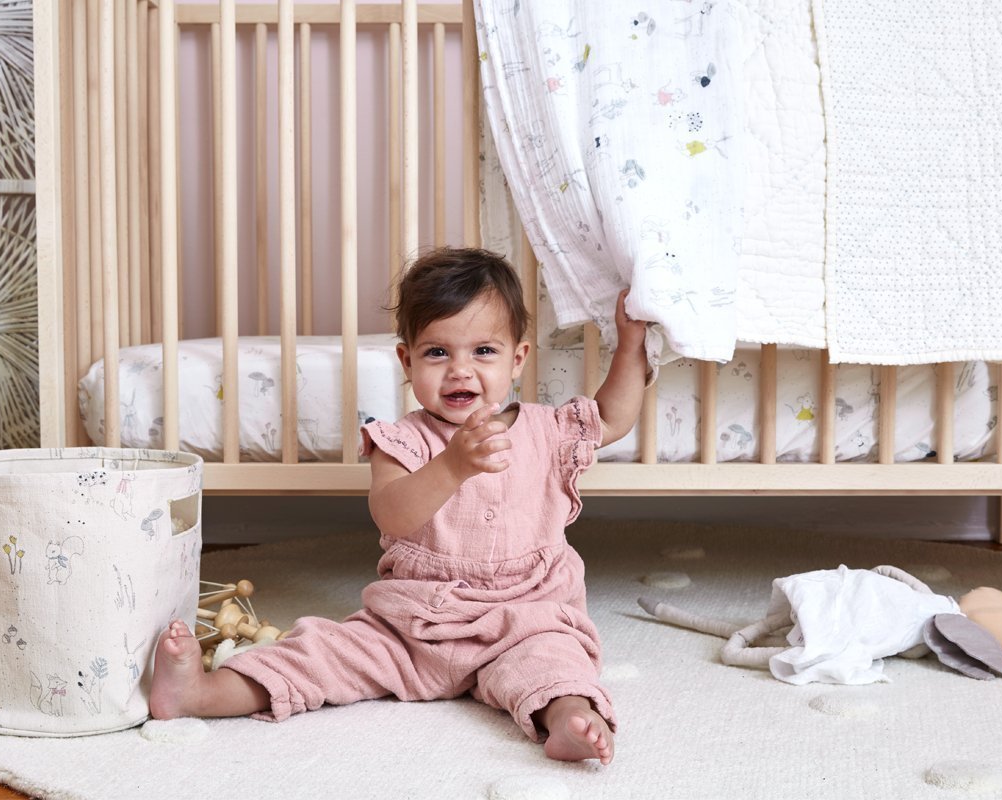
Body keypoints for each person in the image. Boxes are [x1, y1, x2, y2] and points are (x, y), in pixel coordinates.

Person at [150, 247, 649, 765]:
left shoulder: (546, 428)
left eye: (483, 351)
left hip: (525, 616)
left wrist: (631, 344)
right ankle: (200, 694)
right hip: (414, 624)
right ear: (407, 360)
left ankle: (568, 719)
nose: (460, 371)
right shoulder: (401, 441)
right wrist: (452, 467)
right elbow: (392, 514)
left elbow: (612, 416)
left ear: (517, 358)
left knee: (556, 661)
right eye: (437, 353)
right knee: (321, 653)